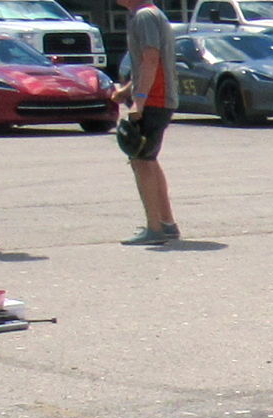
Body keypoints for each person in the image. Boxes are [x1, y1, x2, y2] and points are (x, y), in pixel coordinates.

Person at [112, 0, 177, 245]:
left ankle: (155, 228)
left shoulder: (144, 17)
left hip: (154, 99)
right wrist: (127, 90)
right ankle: (166, 223)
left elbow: (151, 58)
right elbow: (145, 65)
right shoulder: (148, 15)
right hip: (156, 97)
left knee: (141, 161)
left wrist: (139, 101)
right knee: (148, 159)